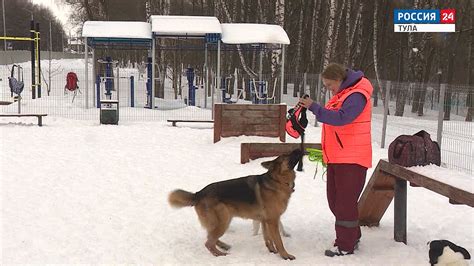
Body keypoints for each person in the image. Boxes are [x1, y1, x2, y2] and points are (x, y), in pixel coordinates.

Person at [298, 63, 373, 257]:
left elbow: (341, 118)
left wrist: (314, 107)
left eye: (330, 85)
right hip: (338, 156)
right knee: (335, 201)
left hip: (352, 158)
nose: (329, 89)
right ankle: (352, 235)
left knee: (344, 204)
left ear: (340, 80)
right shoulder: (343, 94)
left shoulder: (357, 95)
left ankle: (345, 245)